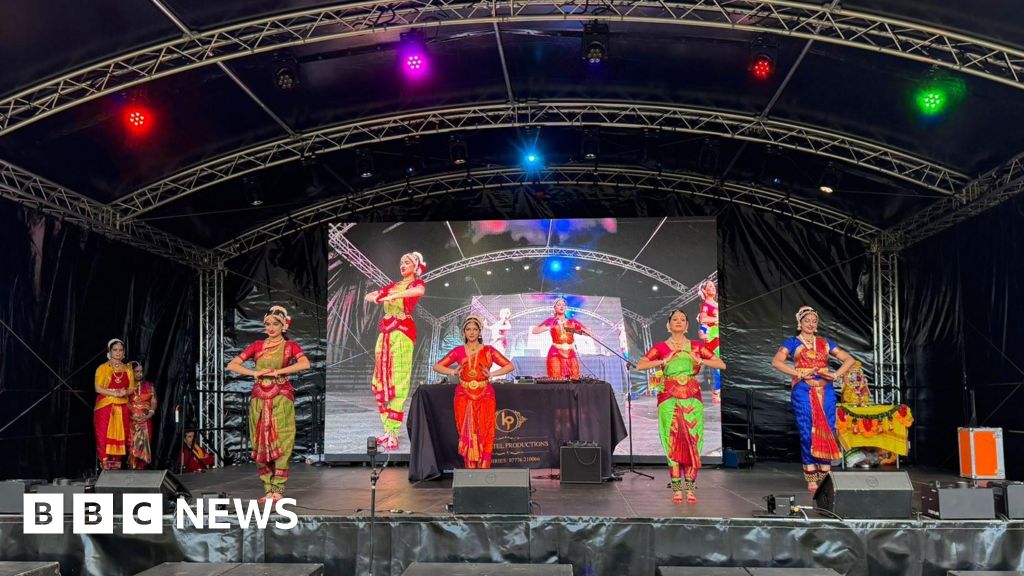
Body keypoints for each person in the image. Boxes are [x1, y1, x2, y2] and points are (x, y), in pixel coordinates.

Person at [635, 310, 726, 503]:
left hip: (692, 396)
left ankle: (691, 488)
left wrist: (700, 360)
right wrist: (663, 360)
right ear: (668, 325)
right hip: (668, 396)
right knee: (671, 440)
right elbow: (641, 365)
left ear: (687, 326)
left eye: (682, 319)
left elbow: (720, 364)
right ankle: (677, 488)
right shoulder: (660, 347)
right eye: (675, 319)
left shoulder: (696, 346)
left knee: (694, 438)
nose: (679, 321)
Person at [227, 305, 310, 503]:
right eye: (267, 324)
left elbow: (305, 364)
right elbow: (232, 365)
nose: (271, 328)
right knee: (259, 441)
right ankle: (267, 488)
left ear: (284, 326)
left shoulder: (290, 346)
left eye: (275, 324)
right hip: (259, 398)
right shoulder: (257, 346)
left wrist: (279, 372)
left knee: (283, 440)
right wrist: (254, 373)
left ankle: (278, 488)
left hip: (281, 397)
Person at [771, 306, 856, 493]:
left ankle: (825, 474)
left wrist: (836, 375)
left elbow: (849, 359)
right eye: (807, 321)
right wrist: (799, 374)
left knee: (827, 430)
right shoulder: (792, 342)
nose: (810, 324)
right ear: (799, 323)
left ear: (817, 325)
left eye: (814, 321)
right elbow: (776, 362)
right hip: (803, 390)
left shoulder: (825, 342)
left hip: (826, 390)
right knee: (807, 432)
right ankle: (811, 476)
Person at [433, 316, 515, 468]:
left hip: (485, 394)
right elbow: (437, 366)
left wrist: (492, 374)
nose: (471, 332)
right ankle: (470, 468)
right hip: (463, 395)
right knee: (465, 430)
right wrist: (452, 372)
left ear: (479, 332)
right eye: (468, 329)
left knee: (486, 429)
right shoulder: (458, 351)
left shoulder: (489, 350)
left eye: (475, 329)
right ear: (464, 332)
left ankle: (483, 468)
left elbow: (510, 366)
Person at [364, 252, 427, 451]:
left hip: (402, 333)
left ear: (415, 266)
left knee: (398, 381)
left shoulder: (416, 284)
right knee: (379, 382)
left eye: (407, 262)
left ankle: (393, 433)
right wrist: (379, 297)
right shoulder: (392, 285)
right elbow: (368, 296)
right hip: (385, 334)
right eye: (401, 262)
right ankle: (387, 430)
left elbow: (418, 291)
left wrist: (394, 296)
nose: (403, 265)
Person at [94, 339, 136, 470]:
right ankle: (105, 463)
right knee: (103, 434)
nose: (118, 352)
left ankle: (117, 465)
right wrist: (114, 393)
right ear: (110, 351)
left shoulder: (128, 369)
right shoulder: (102, 368)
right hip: (105, 405)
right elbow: (98, 388)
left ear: (124, 353)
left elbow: (132, 388)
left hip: (123, 406)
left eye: (121, 350)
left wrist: (125, 392)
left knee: (122, 434)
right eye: (115, 350)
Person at [531, 297, 591, 379]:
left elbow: (588, 333)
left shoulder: (572, 322)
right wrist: (549, 327)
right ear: (555, 308)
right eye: (559, 305)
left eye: (563, 305)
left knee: (574, 377)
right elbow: (534, 331)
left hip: (570, 353)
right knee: (556, 379)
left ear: (566, 308)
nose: (561, 306)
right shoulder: (551, 321)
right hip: (555, 353)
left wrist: (572, 329)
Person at [127, 361, 157, 470]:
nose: (140, 374)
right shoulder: (127, 387)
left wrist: (149, 414)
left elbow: (153, 401)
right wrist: (131, 416)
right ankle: (132, 469)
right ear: (131, 372)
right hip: (131, 421)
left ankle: (141, 470)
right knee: (132, 446)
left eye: (141, 371)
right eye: (136, 371)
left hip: (145, 420)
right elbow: (123, 403)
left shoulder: (149, 386)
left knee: (144, 446)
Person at [697, 280, 722, 404]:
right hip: (713, 340)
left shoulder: (717, 304)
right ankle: (716, 392)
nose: (713, 287)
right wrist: (717, 319)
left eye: (713, 286)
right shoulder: (706, 305)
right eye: (709, 286)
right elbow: (703, 320)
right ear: (704, 291)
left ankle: (718, 391)